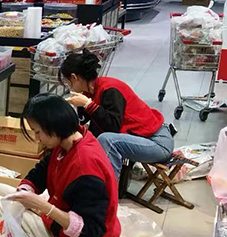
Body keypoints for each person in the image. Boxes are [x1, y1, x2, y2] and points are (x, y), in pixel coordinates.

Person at [0, 94, 121, 237]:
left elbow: (90, 230)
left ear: (54, 125)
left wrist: (43, 206)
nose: (37, 138)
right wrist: (26, 191)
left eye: (38, 132)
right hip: (59, 219)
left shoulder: (85, 166)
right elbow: (40, 172)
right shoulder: (68, 141)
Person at [60, 49, 174, 179]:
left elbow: (112, 127)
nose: (68, 86)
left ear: (74, 77)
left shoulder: (110, 90)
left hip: (158, 143)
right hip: (143, 139)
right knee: (88, 139)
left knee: (107, 140)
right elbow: (90, 126)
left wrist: (88, 105)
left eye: (67, 82)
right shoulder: (90, 92)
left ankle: (107, 188)